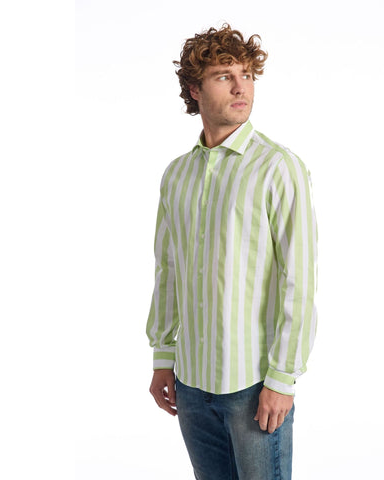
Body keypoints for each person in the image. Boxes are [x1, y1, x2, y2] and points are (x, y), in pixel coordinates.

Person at [146, 24, 318, 480]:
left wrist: (282, 379)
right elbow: (168, 270)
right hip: (190, 384)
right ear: (194, 89)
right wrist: (163, 357)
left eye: (247, 75)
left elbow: (299, 280)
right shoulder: (176, 175)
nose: (241, 87)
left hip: (254, 386)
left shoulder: (278, 167)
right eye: (224, 76)